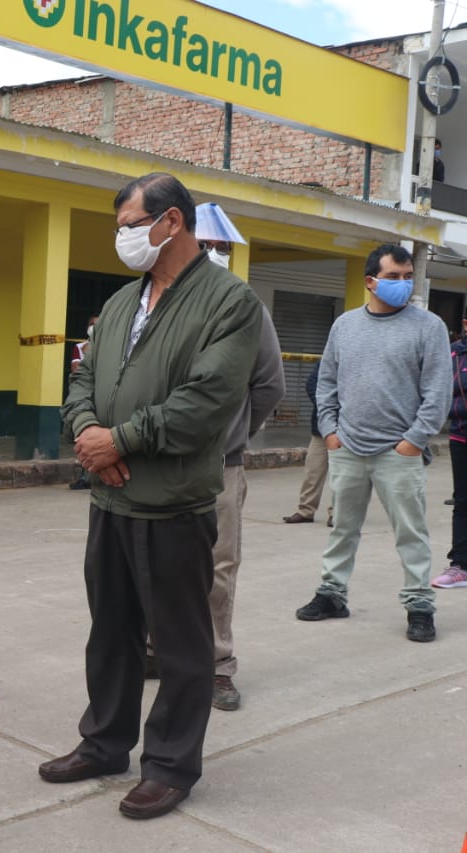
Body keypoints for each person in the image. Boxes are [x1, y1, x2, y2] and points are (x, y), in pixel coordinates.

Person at [43, 173, 263, 820]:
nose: (123, 238)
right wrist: (87, 434)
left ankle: (169, 765)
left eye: (130, 225)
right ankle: (105, 742)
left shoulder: (229, 303)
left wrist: (123, 443)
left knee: (180, 645)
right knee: (110, 635)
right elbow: (81, 378)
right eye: (119, 227)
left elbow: (206, 403)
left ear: (171, 223)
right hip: (110, 503)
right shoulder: (118, 304)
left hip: (174, 505)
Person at [294, 244, 451, 642]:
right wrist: (330, 432)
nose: (402, 284)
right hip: (347, 447)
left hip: (399, 452)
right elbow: (326, 381)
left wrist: (414, 440)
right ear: (371, 281)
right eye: (393, 277)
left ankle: (419, 605)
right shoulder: (344, 326)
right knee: (342, 529)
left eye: (407, 277)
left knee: (410, 533)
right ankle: (332, 595)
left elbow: (438, 392)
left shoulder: (427, 326)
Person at [195, 204, 286, 712]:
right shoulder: (151, 303)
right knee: (152, 563)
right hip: (153, 462)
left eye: (222, 248)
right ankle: (154, 649)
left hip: (219, 466)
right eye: (206, 245)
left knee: (217, 568)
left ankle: (216, 666)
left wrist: (236, 435)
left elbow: (270, 384)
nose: (214, 256)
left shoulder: (246, 308)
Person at [435, 317, 467, 589]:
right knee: (463, 502)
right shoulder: (452, 354)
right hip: (461, 436)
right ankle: (461, 565)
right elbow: (438, 390)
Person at [282, 362, 333, 527]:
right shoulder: (328, 357)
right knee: (313, 471)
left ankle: (337, 513)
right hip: (321, 428)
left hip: (347, 429)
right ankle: (306, 511)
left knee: (342, 475)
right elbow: (312, 384)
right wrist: (328, 408)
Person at [68, 314, 98, 490]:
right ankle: (84, 475)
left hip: (102, 396)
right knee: (82, 436)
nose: (94, 327)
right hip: (84, 398)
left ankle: (92, 475)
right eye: (92, 324)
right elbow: (77, 370)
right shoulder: (80, 347)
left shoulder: (110, 346)